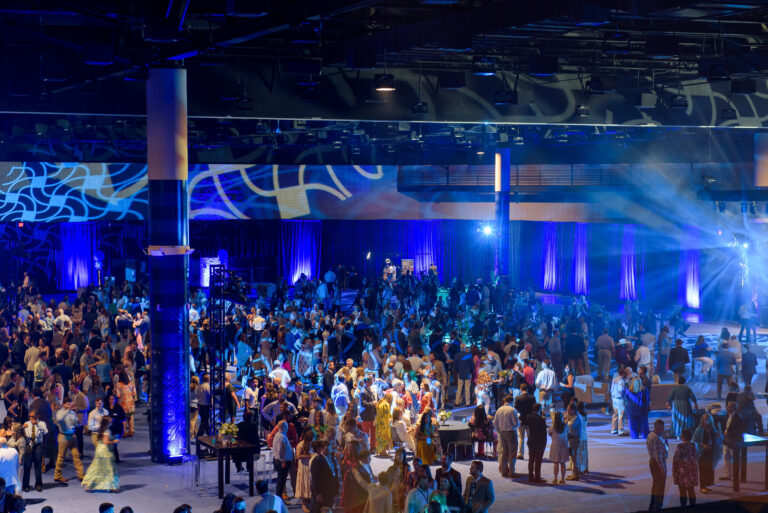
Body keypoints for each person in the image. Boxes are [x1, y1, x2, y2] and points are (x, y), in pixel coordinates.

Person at [81, 417, 119, 492]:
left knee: (97, 467)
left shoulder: (102, 429)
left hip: (100, 450)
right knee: (109, 469)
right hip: (105, 452)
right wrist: (114, 441)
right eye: (110, 420)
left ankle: (89, 484)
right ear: (107, 422)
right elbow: (106, 442)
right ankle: (112, 487)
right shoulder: (107, 431)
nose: (112, 421)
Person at [53, 398, 84, 483]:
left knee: (76, 456)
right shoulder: (60, 412)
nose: (70, 406)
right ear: (63, 404)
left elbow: (76, 423)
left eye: (70, 404)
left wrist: (77, 422)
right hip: (63, 436)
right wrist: (67, 411)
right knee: (61, 457)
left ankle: (81, 474)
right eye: (68, 404)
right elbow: (59, 420)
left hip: (72, 436)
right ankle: (57, 476)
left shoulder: (72, 412)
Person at [692, 412, 722, 493]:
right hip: (702, 453)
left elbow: (717, 438)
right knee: (703, 470)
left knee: (709, 469)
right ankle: (702, 487)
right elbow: (694, 441)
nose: (706, 420)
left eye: (708, 419)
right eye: (705, 419)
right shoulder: (699, 429)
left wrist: (719, 435)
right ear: (702, 420)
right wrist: (702, 445)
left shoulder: (713, 428)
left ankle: (707, 485)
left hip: (711, 453)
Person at [492, 395, 518, 478]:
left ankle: (503, 471)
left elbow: (495, 423)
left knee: (504, 452)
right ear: (511, 401)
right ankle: (511, 471)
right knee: (512, 452)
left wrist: (499, 431)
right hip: (511, 433)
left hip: (502, 433)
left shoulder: (499, 410)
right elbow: (515, 423)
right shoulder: (512, 410)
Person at [309, 440, 338, 513]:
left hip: (330, 490)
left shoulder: (331, 459)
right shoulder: (317, 460)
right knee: (319, 509)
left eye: (330, 449)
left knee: (328, 508)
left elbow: (335, 473)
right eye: (327, 449)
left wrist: (336, 488)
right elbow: (315, 478)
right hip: (322, 491)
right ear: (322, 449)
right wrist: (318, 493)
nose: (329, 451)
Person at [22, 409, 47, 492]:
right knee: (27, 466)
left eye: (33, 416)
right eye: (30, 416)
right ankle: (25, 485)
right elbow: (22, 435)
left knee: (38, 466)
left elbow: (46, 432)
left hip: (38, 446)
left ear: (37, 416)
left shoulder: (42, 423)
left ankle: (38, 484)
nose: (31, 418)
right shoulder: (26, 423)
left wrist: (38, 424)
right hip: (28, 446)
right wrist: (22, 428)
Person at [646, 419, 669, 511]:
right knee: (660, 486)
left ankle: (653, 504)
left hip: (653, 462)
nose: (664, 429)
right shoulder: (656, 438)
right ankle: (658, 506)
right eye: (662, 427)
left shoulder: (651, 435)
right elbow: (657, 455)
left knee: (656, 484)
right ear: (659, 427)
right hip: (657, 463)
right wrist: (662, 468)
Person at [672, 428, 698, 507]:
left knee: (682, 491)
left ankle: (683, 506)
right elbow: (696, 456)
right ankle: (692, 506)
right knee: (691, 490)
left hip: (682, 471)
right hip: (691, 471)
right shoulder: (693, 445)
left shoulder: (680, 446)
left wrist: (674, 471)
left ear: (683, 437)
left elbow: (676, 459)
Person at [272, 420, 294, 503]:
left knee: (281, 481)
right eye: (287, 426)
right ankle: (279, 500)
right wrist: (283, 461)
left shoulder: (280, 435)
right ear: (284, 427)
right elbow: (281, 450)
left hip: (280, 461)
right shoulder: (281, 437)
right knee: (281, 482)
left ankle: (279, 499)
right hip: (281, 462)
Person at [721, 400, 744, 481]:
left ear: (734, 408)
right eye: (727, 406)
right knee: (726, 456)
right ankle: (727, 474)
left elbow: (739, 431)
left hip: (734, 441)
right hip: (726, 440)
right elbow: (724, 426)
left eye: (730, 407)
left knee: (735, 458)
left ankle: (736, 475)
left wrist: (728, 433)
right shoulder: (726, 416)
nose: (727, 408)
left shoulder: (738, 418)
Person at [565, 402, 587, 480]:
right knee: (574, 457)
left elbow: (570, 425)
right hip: (572, 438)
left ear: (573, 410)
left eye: (568, 410)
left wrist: (566, 419)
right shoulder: (574, 416)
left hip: (575, 439)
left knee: (575, 458)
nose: (567, 411)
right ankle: (574, 473)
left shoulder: (576, 417)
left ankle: (576, 475)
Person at [526, 403, 547, 483]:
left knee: (531, 459)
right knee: (538, 460)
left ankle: (530, 476)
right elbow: (543, 433)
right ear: (539, 409)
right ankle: (537, 477)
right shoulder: (540, 419)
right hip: (539, 442)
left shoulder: (528, 417)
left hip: (531, 440)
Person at [624, 374, 650, 439]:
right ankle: (644, 436)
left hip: (632, 410)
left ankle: (634, 437)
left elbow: (626, 399)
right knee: (643, 425)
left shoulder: (628, 390)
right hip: (642, 410)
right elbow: (647, 399)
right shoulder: (644, 390)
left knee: (633, 425)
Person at [514, 383, 535, 460]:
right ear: (527, 389)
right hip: (530, 420)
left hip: (521, 420)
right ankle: (531, 453)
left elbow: (515, 410)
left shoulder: (518, 398)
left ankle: (520, 453)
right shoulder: (532, 398)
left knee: (521, 437)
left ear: (520, 389)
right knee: (530, 437)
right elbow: (534, 409)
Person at [548, 410, 569, 485]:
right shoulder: (565, 426)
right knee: (563, 463)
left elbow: (549, 433)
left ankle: (555, 479)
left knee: (556, 463)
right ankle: (563, 479)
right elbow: (568, 433)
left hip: (555, 446)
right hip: (564, 446)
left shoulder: (553, 426)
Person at [294, 430, 314, 513]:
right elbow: (298, 456)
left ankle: (309, 501)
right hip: (303, 467)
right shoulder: (300, 445)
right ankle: (304, 504)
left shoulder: (312, 444)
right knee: (303, 484)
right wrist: (309, 455)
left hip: (310, 466)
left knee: (309, 484)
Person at [610, 369, 628, 436]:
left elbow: (611, 389)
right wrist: (624, 399)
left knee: (615, 414)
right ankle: (620, 430)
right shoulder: (621, 381)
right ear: (623, 374)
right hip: (620, 399)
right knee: (621, 415)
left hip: (614, 398)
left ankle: (613, 429)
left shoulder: (615, 379)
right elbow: (621, 391)